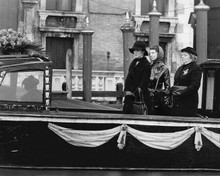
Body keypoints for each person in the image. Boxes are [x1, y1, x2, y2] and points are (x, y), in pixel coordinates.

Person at [171, 47, 202, 117]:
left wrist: (182, 92)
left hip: (188, 100)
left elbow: (195, 85)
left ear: (192, 57)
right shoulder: (180, 68)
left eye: (185, 55)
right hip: (177, 99)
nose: (182, 57)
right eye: (182, 55)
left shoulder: (196, 68)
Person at [123, 41, 151, 114]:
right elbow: (129, 78)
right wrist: (127, 90)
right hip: (129, 96)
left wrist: (134, 94)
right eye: (134, 50)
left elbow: (144, 83)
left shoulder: (146, 65)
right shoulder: (133, 62)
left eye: (137, 50)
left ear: (143, 52)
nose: (135, 52)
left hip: (140, 97)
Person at [148, 45, 171, 115]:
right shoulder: (147, 66)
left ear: (158, 54)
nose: (151, 55)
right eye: (150, 53)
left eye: (153, 53)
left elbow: (168, 87)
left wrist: (163, 98)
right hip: (146, 96)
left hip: (157, 99)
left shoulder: (164, 68)